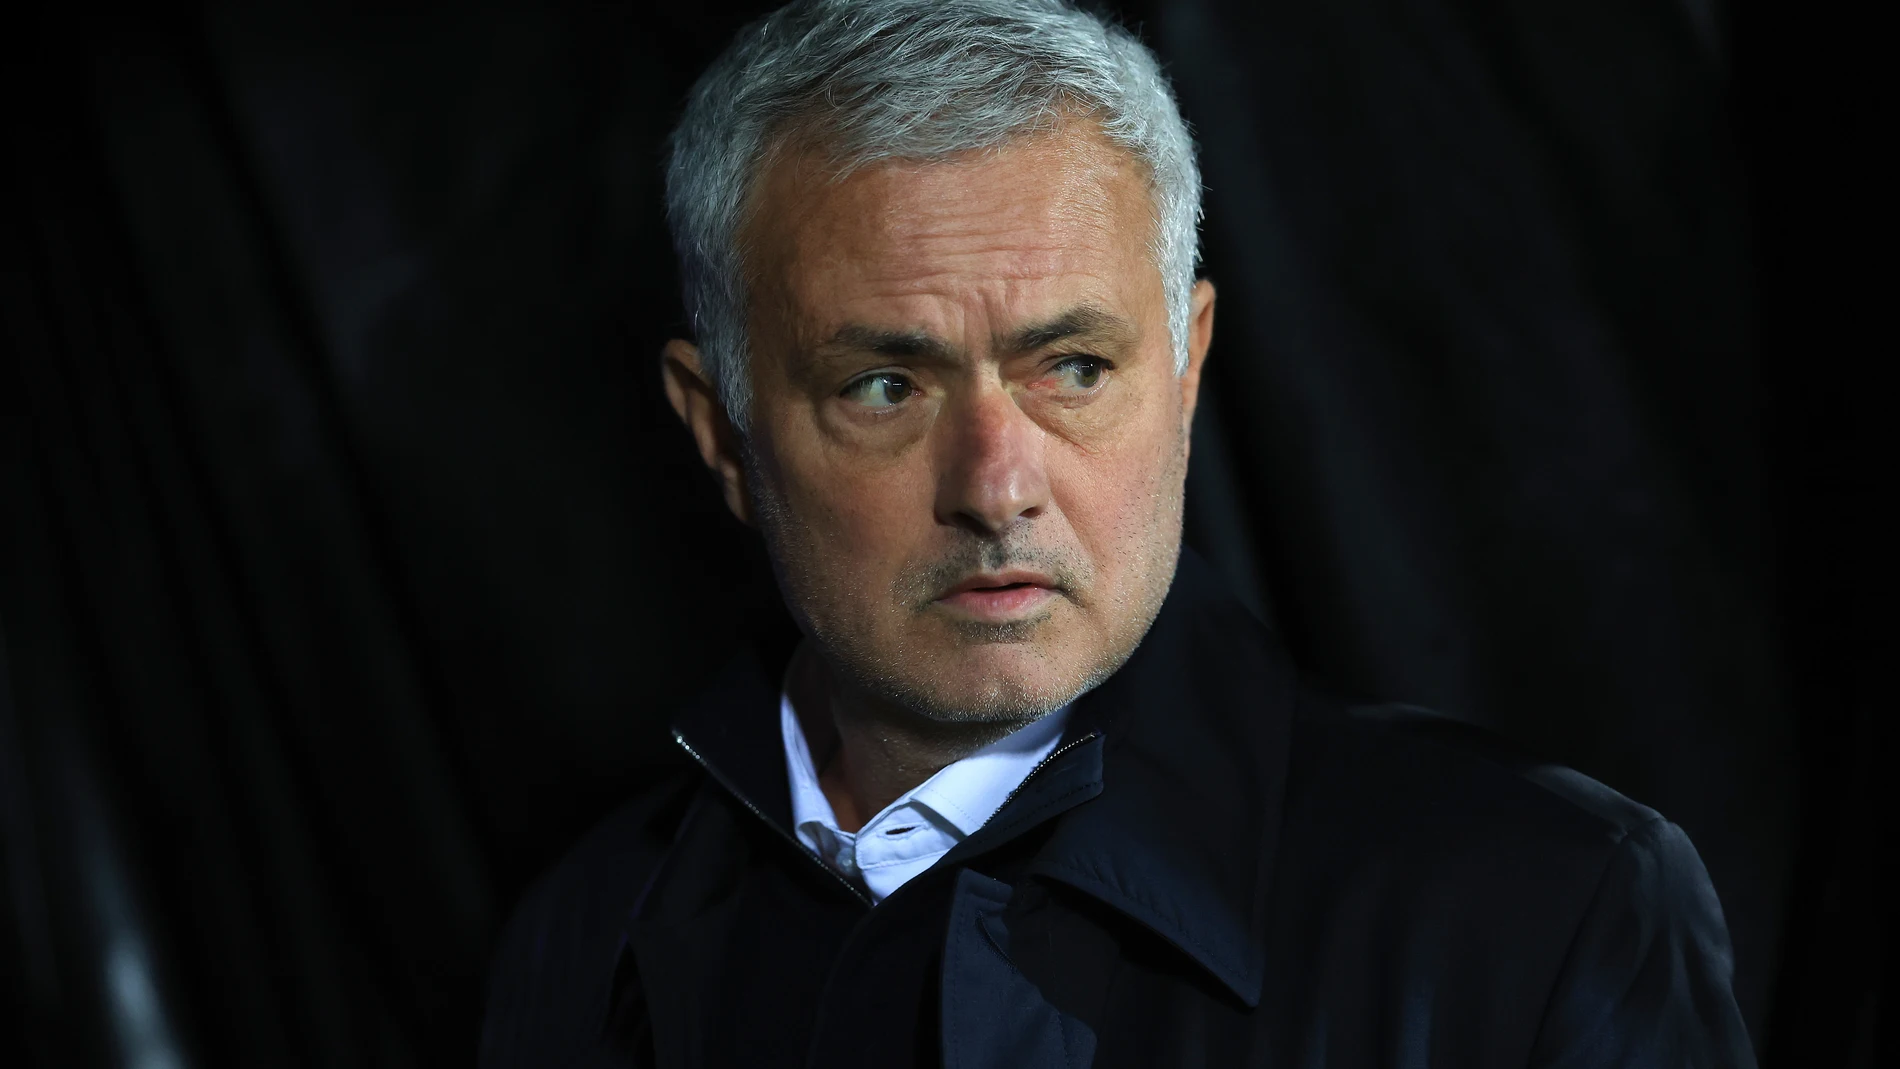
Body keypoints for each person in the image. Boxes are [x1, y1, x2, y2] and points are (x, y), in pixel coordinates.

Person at [480, 1, 1755, 1065]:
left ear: (1187, 372)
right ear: (722, 433)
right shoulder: (582, 941)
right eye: (886, 386)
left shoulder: (1547, 909)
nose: (997, 486)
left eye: (1073, 367)